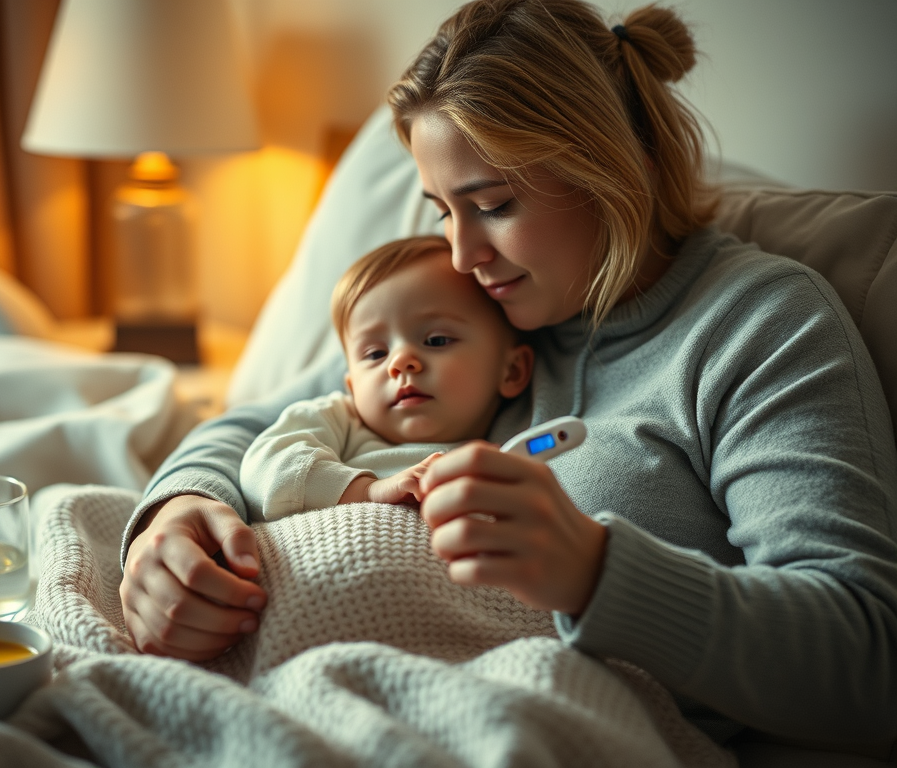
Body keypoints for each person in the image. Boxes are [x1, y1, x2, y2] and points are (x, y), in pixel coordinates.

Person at [119, 0, 897, 753]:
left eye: (491, 204)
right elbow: (252, 424)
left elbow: (867, 654)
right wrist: (176, 515)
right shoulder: (472, 304)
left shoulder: (757, 324)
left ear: (617, 169)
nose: (463, 254)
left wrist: (593, 572)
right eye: (441, 210)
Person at [240, 235, 533, 522]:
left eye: (436, 340)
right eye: (375, 354)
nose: (399, 362)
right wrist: (369, 490)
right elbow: (263, 468)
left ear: (512, 371)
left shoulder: (521, 449)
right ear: (352, 387)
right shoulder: (342, 420)